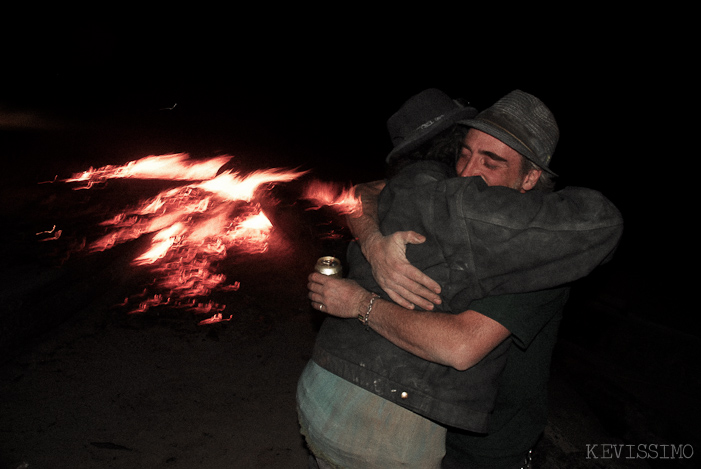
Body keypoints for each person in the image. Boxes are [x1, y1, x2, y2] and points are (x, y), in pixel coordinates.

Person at [298, 89, 623, 468]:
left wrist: (359, 303)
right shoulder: (444, 202)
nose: (467, 172)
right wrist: (374, 244)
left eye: (492, 161)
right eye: (464, 153)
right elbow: (365, 192)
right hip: (431, 426)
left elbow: (460, 347)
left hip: (491, 446)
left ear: (531, 176)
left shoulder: (540, 249)